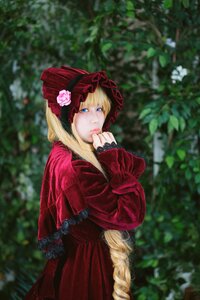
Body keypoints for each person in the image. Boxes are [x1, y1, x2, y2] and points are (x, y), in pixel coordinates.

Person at [25, 66, 146, 300]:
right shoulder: (75, 166)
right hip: (86, 274)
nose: (96, 118)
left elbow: (135, 170)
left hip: (84, 265)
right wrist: (114, 160)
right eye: (84, 109)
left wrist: (113, 160)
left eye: (100, 108)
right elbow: (130, 215)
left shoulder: (74, 152)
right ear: (64, 114)